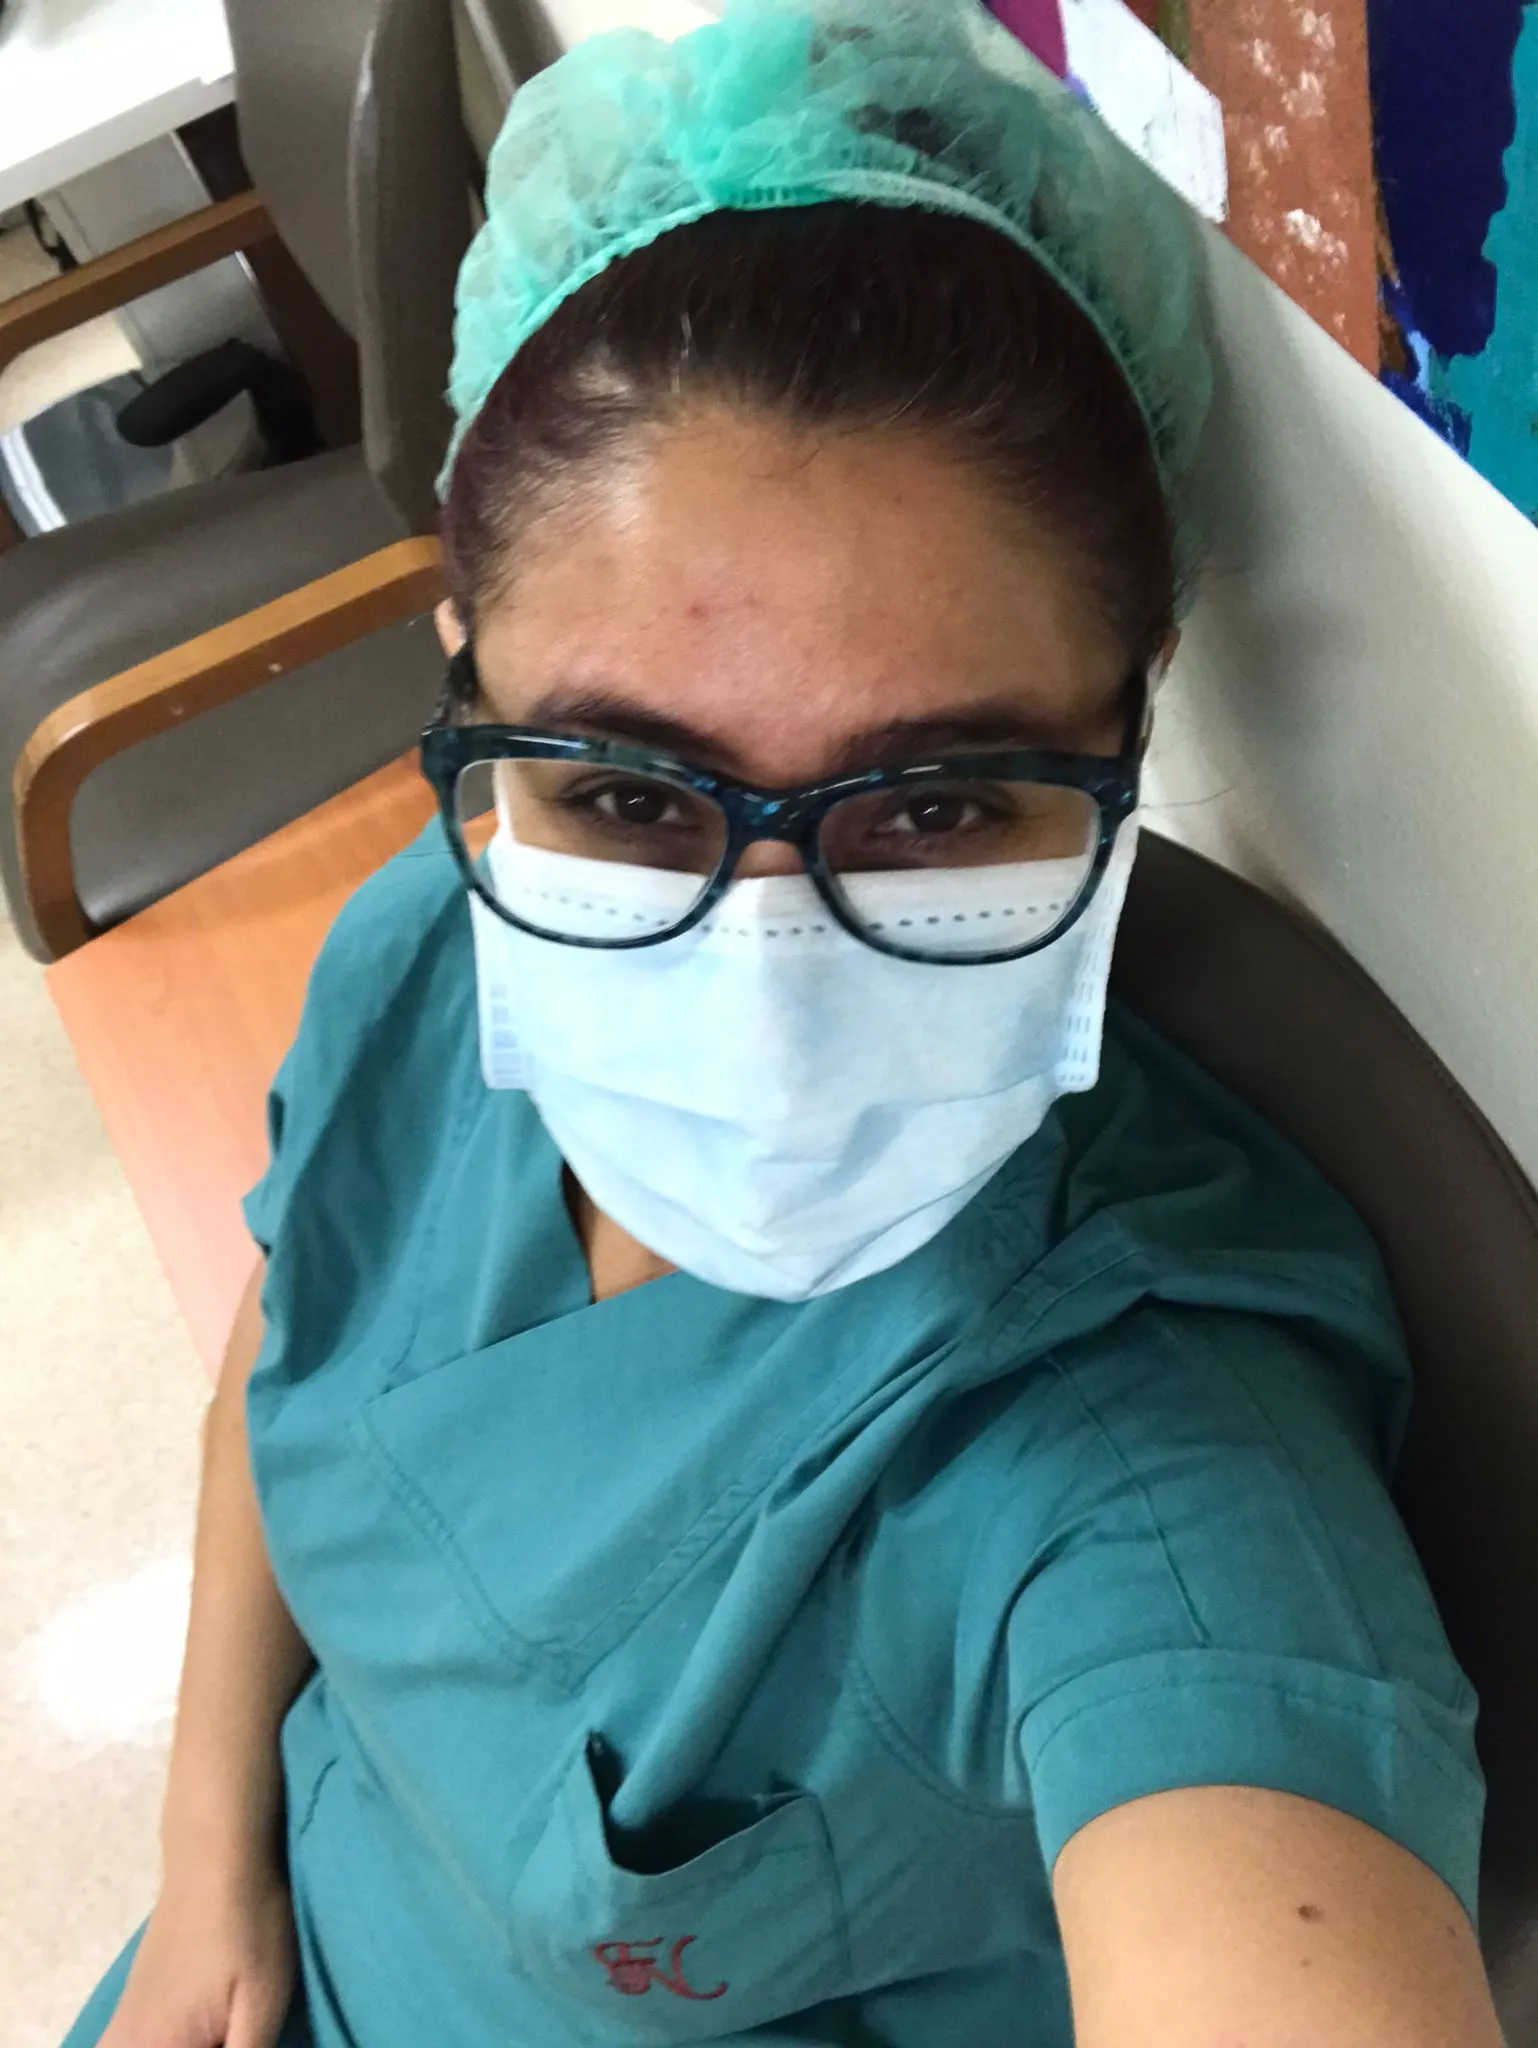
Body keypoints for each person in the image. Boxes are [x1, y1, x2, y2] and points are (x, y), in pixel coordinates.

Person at [63, 3, 1504, 2044]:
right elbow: (300, 1346)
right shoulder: (430, 952)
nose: (758, 967)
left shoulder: (1141, 1475)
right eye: (625, 793)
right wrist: (206, 1880)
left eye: (936, 807)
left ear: (1128, 720)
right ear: (470, 690)